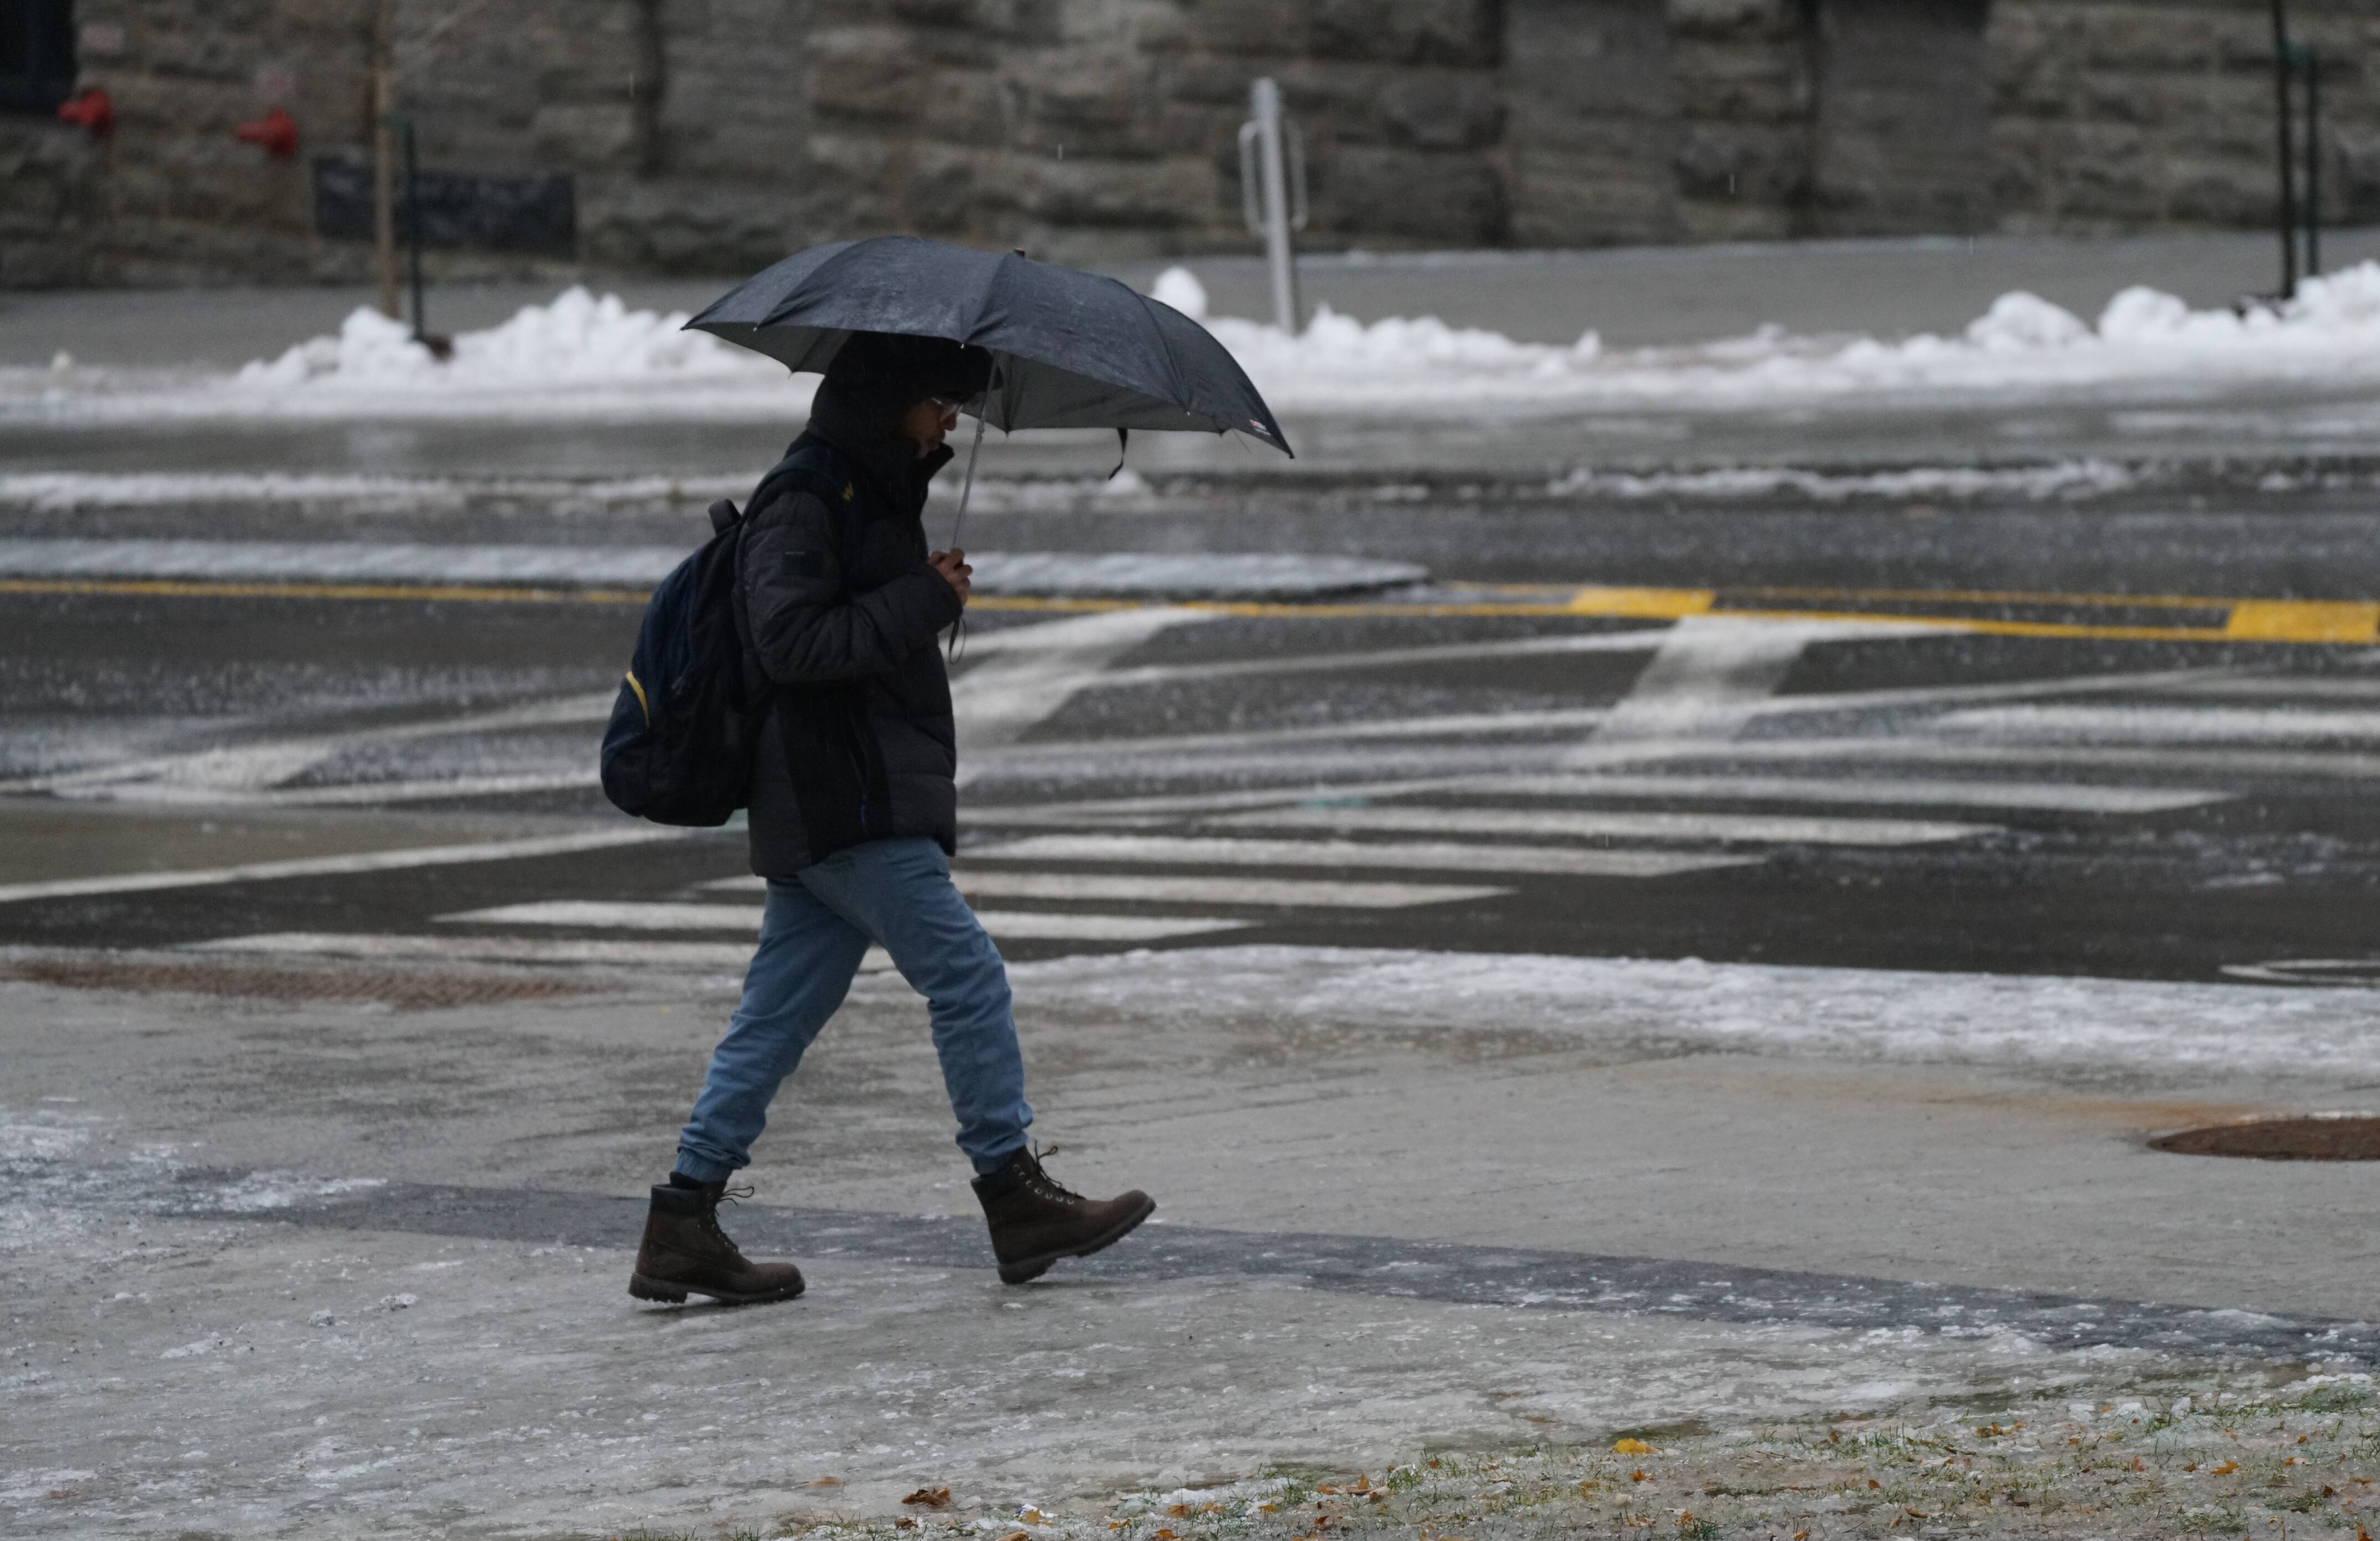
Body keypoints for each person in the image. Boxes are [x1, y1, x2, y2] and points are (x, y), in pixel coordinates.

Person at [629, 331, 1154, 1305]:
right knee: (966, 977)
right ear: (886, 400)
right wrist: (918, 598)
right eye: (937, 402)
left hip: (839, 792)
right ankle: (1013, 1191)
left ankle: (682, 1220)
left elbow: (844, 630)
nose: (950, 420)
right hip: (842, 797)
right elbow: (790, 644)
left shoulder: (866, 491)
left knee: (776, 1018)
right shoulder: (807, 495)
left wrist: (921, 595)